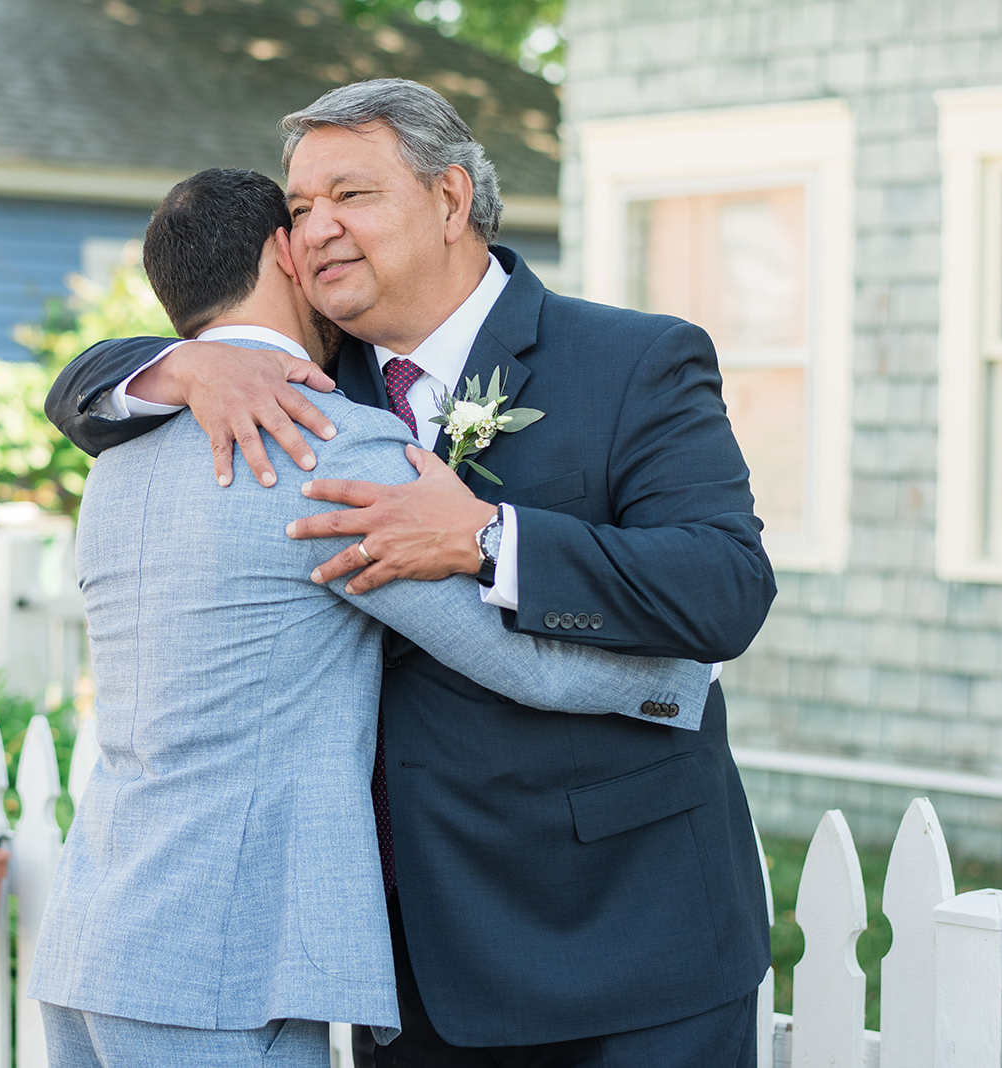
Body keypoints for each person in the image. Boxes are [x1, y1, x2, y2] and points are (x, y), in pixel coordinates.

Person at [48, 77, 777, 1067]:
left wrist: (488, 539)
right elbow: (91, 383)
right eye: (300, 209)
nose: (317, 229)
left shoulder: (632, 361)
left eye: (352, 195)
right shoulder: (296, 396)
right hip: (419, 964)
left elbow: (725, 586)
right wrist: (179, 364)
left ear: (449, 200)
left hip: (624, 938)